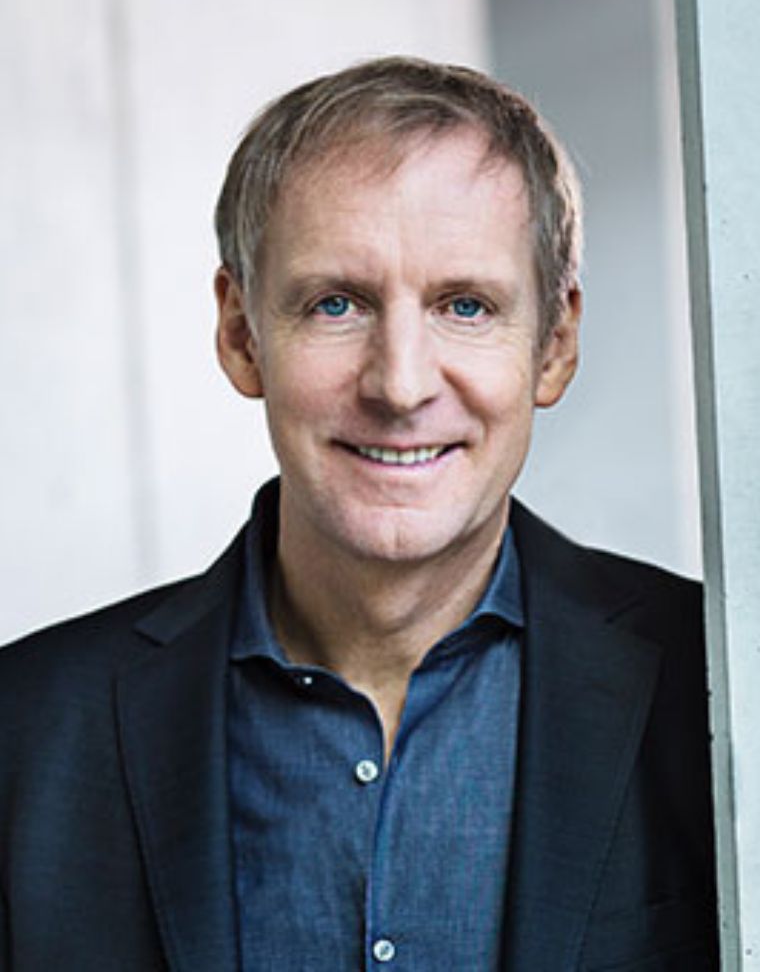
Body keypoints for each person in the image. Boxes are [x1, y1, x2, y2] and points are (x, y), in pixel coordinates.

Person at [0, 57, 718, 971]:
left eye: (466, 306)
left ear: (555, 345)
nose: (400, 385)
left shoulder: (717, 687)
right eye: (335, 304)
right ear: (240, 333)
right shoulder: (25, 731)